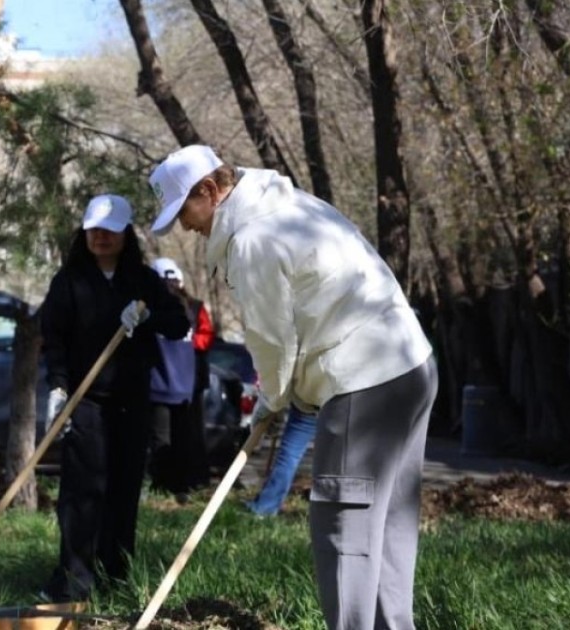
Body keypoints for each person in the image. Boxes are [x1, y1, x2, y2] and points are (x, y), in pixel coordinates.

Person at [149, 145, 436, 630]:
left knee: (344, 531)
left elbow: (271, 339)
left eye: (185, 211)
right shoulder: (291, 205)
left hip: (362, 377)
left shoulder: (253, 239)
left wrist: (272, 398)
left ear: (209, 190)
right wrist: (286, 393)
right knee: (387, 528)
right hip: (412, 366)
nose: (186, 226)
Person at [38, 194, 190, 602]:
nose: (100, 237)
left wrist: (147, 317)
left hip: (130, 402)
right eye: (93, 230)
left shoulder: (143, 282)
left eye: (110, 230)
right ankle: (74, 579)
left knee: (123, 489)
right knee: (82, 490)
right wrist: (57, 385)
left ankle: (115, 575)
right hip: (84, 402)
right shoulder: (69, 281)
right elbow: (52, 337)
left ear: (126, 233)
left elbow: (179, 324)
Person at [147, 257, 213, 497]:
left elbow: (205, 336)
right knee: (165, 437)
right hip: (168, 384)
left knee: (182, 437)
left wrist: (189, 343)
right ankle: (169, 485)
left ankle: (180, 483)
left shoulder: (193, 307)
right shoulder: (147, 307)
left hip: (184, 385)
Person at [247, 406, 317, 516]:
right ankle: (337, 511)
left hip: (310, 405)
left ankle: (266, 508)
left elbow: (277, 390)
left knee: (290, 455)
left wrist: (269, 406)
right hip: (344, 402)